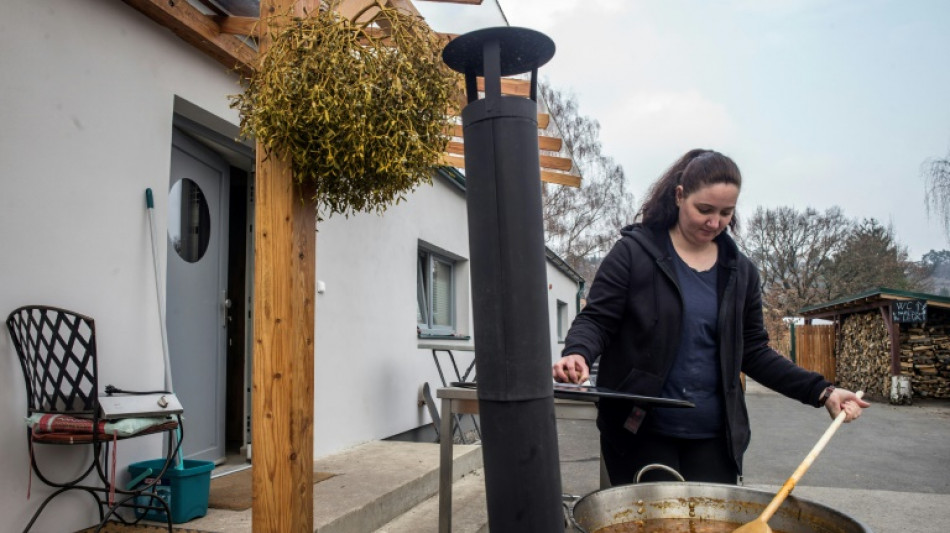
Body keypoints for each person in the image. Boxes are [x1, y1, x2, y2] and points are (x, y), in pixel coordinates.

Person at [552, 148, 869, 486]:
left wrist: (822, 392)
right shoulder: (633, 254)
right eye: (704, 209)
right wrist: (578, 353)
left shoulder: (741, 272)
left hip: (715, 440)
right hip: (640, 433)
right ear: (679, 196)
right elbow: (597, 320)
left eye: (725, 213)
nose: (715, 222)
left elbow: (754, 351)